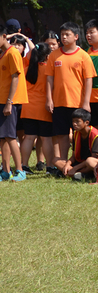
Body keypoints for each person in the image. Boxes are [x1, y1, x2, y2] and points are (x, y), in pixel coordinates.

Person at [45, 22, 96, 170]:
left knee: (78, 135)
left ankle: (76, 162)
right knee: (61, 135)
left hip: (77, 103)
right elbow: (49, 79)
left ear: (76, 36)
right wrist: (49, 99)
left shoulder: (84, 56)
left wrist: (86, 102)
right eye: (62, 35)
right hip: (59, 102)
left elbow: (88, 80)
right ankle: (62, 163)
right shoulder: (54, 55)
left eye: (67, 34)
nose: (64, 37)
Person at [20, 42, 54, 174]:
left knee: (28, 137)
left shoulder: (27, 69)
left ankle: (24, 165)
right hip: (44, 107)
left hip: (28, 107)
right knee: (46, 138)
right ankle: (50, 166)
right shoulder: (48, 70)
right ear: (47, 56)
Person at [0, 24, 28, 182]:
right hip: (2, 100)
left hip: (10, 101)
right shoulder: (3, 54)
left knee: (10, 137)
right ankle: (5, 171)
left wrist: (9, 102)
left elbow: (16, 77)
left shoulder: (13, 53)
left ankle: (20, 170)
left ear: (4, 36)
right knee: (3, 137)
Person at [53, 108, 98, 180]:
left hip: (90, 164)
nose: (74, 124)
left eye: (77, 121)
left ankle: (77, 173)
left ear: (86, 123)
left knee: (89, 161)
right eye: (73, 121)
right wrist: (67, 165)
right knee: (55, 160)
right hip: (80, 163)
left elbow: (94, 157)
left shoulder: (95, 135)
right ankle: (75, 173)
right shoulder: (76, 133)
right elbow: (74, 156)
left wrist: (75, 168)